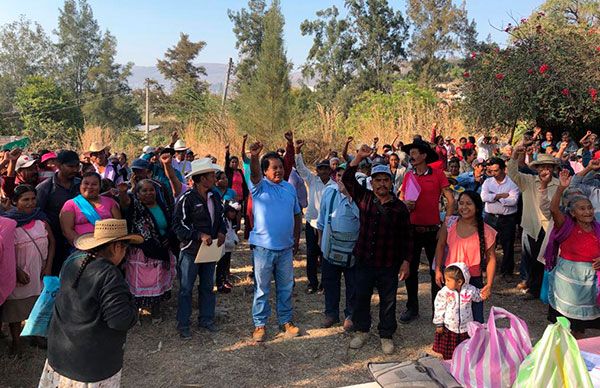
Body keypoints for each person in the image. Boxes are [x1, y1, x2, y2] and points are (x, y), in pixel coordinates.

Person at [40, 219, 141, 387]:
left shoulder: (74, 259)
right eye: (125, 248)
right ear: (117, 247)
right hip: (91, 364)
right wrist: (133, 306)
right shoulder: (109, 274)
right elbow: (120, 321)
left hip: (60, 353)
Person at [343, 144, 412, 355]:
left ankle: (386, 334)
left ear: (391, 182)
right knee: (361, 296)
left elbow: (407, 237)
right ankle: (362, 330)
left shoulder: (400, 208)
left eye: (385, 180)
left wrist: (406, 261)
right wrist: (358, 157)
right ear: (371, 183)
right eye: (377, 180)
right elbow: (346, 179)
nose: (382, 184)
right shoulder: (364, 198)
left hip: (388, 262)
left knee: (388, 301)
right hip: (364, 260)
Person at [247, 141, 302, 342]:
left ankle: (286, 321)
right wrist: (254, 157)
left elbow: (297, 214)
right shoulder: (259, 187)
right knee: (262, 289)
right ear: (265, 172)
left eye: (280, 167)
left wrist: (296, 239)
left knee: (286, 287)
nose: (278, 171)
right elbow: (253, 174)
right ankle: (259, 325)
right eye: (274, 168)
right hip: (263, 249)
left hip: (286, 249)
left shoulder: (289, 188)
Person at [399, 139, 454, 324]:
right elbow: (401, 197)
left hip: (434, 231)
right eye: (410, 153)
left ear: (423, 155)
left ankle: (437, 310)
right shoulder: (408, 176)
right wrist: (404, 204)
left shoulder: (438, 174)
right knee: (410, 271)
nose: (411, 156)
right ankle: (411, 308)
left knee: (436, 271)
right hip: (411, 231)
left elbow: (450, 200)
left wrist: (446, 225)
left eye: (414, 153)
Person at [173, 158, 226, 338]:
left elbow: (221, 217)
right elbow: (178, 226)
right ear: (202, 179)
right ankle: (183, 324)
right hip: (190, 250)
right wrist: (198, 235)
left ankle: (206, 319)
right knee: (186, 288)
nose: (214, 177)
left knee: (207, 286)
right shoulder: (186, 199)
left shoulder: (215, 195)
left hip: (209, 250)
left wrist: (221, 231)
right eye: (211, 175)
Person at [544, 169, 600, 338]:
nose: (587, 212)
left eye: (589, 208)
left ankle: (582, 352)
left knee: (584, 322)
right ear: (573, 213)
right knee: (568, 322)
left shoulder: (597, 229)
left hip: (591, 281)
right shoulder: (567, 226)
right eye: (582, 209)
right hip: (569, 282)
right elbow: (554, 209)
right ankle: (567, 352)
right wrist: (561, 188)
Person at [2, 185, 55, 354]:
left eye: (33, 199)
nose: (30, 203)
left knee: (38, 305)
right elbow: (5, 251)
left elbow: (52, 243)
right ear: (15, 202)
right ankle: (16, 342)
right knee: (15, 311)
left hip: (39, 270)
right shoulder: (8, 224)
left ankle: (36, 335)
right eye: (25, 199)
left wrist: (48, 267)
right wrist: (16, 271)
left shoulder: (42, 219)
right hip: (19, 275)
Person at [117, 179, 176, 323]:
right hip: (141, 252)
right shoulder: (135, 206)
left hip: (161, 249)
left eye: (152, 190)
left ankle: (156, 311)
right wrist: (123, 192)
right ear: (137, 193)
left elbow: (170, 224)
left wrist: (169, 237)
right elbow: (125, 203)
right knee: (138, 282)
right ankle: (135, 313)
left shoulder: (163, 206)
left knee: (158, 279)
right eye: (144, 190)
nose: (149, 193)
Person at [434, 190, 497, 323]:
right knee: (450, 317)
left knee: (475, 319)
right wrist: (438, 269)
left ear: (477, 207)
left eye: (468, 204)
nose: (464, 207)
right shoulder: (450, 222)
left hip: (474, 280)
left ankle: (474, 344)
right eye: (461, 203)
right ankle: (452, 344)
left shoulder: (487, 231)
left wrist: (489, 284)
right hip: (450, 277)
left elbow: (491, 259)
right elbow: (440, 246)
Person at [508, 148, 559, 296]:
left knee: (549, 260)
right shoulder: (528, 181)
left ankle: (547, 290)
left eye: (548, 166)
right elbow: (512, 173)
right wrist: (514, 154)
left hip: (551, 227)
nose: (545, 169)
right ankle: (534, 288)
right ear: (536, 169)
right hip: (532, 226)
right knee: (532, 258)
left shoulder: (559, 184)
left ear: (553, 168)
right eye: (542, 166)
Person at [317, 166, 359, 330]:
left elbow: (361, 217)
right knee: (330, 281)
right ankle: (331, 313)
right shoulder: (329, 192)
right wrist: (321, 239)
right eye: (340, 176)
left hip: (352, 249)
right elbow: (322, 218)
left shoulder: (359, 195)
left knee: (352, 283)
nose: (342, 180)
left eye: (346, 177)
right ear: (336, 177)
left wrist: (349, 195)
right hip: (330, 247)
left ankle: (350, 315)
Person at [295, 139, 336, 294]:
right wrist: (298, 152)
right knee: (311, 254)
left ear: (330, 170)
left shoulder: (334, 185)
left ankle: (324, 284)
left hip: (327, 225)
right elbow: (300, 168)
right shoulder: (312, 180)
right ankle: (312, 283)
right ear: (317, 170)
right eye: (320, 169)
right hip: (312, 223)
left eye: (326, 168)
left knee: (326, 254)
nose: (323, 171)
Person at [36, 150, 81, 275]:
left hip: (79, 241)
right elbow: (38, 215)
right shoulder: (45, 188)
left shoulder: (81, 185)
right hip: (55, 243)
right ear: (59, 165)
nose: (75, 169)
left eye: (77, 166)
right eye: (71, 166)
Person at [433, 263, 484, 360]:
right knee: (449, 354)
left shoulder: (470, 290)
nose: (445, 283)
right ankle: (450, 365)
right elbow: (439, 307)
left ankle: (463, 365)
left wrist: (484, 294)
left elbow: (478, 296)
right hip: (450, 328)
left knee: (465, 352)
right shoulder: (444, 292)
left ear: (459, 282)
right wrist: (439, 323)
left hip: (466, 328)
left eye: (448, 280)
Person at [481, 157, 520, 277]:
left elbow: (513, 200)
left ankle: (506, 271)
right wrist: (501, 196)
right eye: (491, 171)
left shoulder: (513, 182)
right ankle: (485, 268)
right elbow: (483, 197)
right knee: (487, 244)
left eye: (496, 171)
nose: (493, 174)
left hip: (507, 218)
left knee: (507, 245)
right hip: (490, 217)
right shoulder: (488, 182)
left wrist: (493, 197)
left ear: (503, 169)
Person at [60, 172, 121, 247]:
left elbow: (119, 228)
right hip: (82, 249)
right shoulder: (70, 205)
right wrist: (85, 245)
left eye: (94, 184)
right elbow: (67, 231)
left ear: (100, 187)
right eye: (86, 183)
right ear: (80, 185)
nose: (89, 187)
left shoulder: (110, 202)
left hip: (109, 247)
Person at [216, 202, 241, 293]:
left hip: (229, 248)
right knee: (221, 266)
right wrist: (230, 242)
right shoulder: (223, 221)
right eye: (231, 211)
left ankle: (225, 281)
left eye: (235, 212)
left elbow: (232, 232)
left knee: (226, 266)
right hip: (224, 248)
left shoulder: (230, 221)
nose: (233, 214)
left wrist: (235, 241)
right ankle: (220, 284)